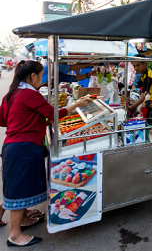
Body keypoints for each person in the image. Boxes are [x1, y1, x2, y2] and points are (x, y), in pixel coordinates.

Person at [0, 60, 91, 247]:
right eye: (41, 75)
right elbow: (53, 114)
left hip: (12, 146)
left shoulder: (12, 93)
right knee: (18, 190)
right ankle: (15, 235)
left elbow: (4, 120)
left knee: (15, 186)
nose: (42, 79)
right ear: (32, 76)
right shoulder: (28, 94)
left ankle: (22, 219)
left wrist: (33, 119)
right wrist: (77, 104)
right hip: (23, 148)